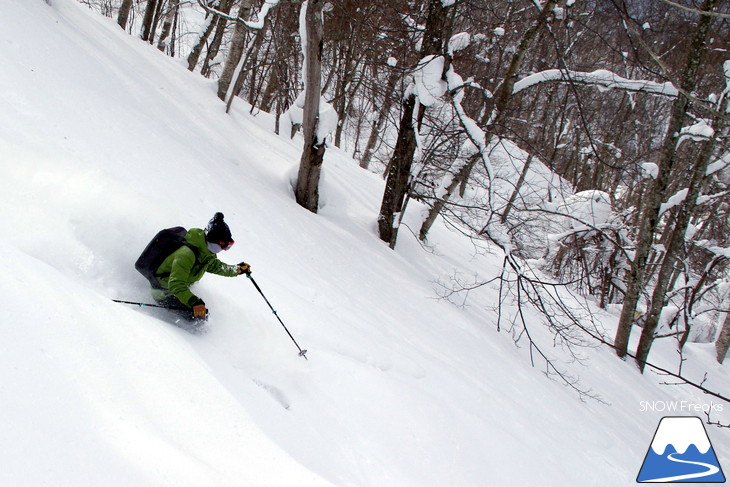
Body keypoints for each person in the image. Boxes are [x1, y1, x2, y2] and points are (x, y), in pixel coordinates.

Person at [150, 212, 251, 321]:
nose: (224, 249)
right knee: (199, 319)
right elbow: (175, 284)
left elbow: (214, 266)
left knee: (201, 314)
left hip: (178, 291)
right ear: (212, 240)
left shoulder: (204, 252)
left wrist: (236, 269)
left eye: (229, 245)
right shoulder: (186, 255)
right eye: (224, 245)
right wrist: (194, 302)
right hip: (164, 293)